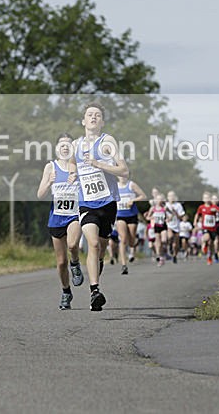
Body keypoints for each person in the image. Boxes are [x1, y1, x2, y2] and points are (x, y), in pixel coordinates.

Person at [73, 102, 129, 311]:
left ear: (102, 122)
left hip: (108, 202)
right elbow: (71, 166)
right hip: (86, 203)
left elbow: (124, 171)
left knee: (102, 250)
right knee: (93, 244)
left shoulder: (107, 142)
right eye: (90, 114)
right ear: (83, 121)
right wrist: (71, 175)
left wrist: (99, 164)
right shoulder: (76, 145)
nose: (93, 117)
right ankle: (94, 291)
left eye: (97, 115)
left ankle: (97, 270)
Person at [37, 133, 84, 310]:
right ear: (57, 148)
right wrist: (49, 182)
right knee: (61, 262)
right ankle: (66, 292)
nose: (65, 147)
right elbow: (40, 194)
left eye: (68, 144)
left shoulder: (78, 166)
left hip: (74, 215)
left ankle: (76, 263)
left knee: (72, 245)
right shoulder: (51, 167)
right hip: (57, 217)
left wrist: (78, 178)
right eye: (62, 144)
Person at [115, 174, 146, 274]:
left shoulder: (131, 185)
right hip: (120, 215)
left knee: (131, 241)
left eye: (124, 175)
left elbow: (143, 196)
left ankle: (134, 242)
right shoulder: (115, 186)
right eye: (120, 175)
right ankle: (124, 265)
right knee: (123, 239)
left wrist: (133, 200)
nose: (122, 177)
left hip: (131, 215)